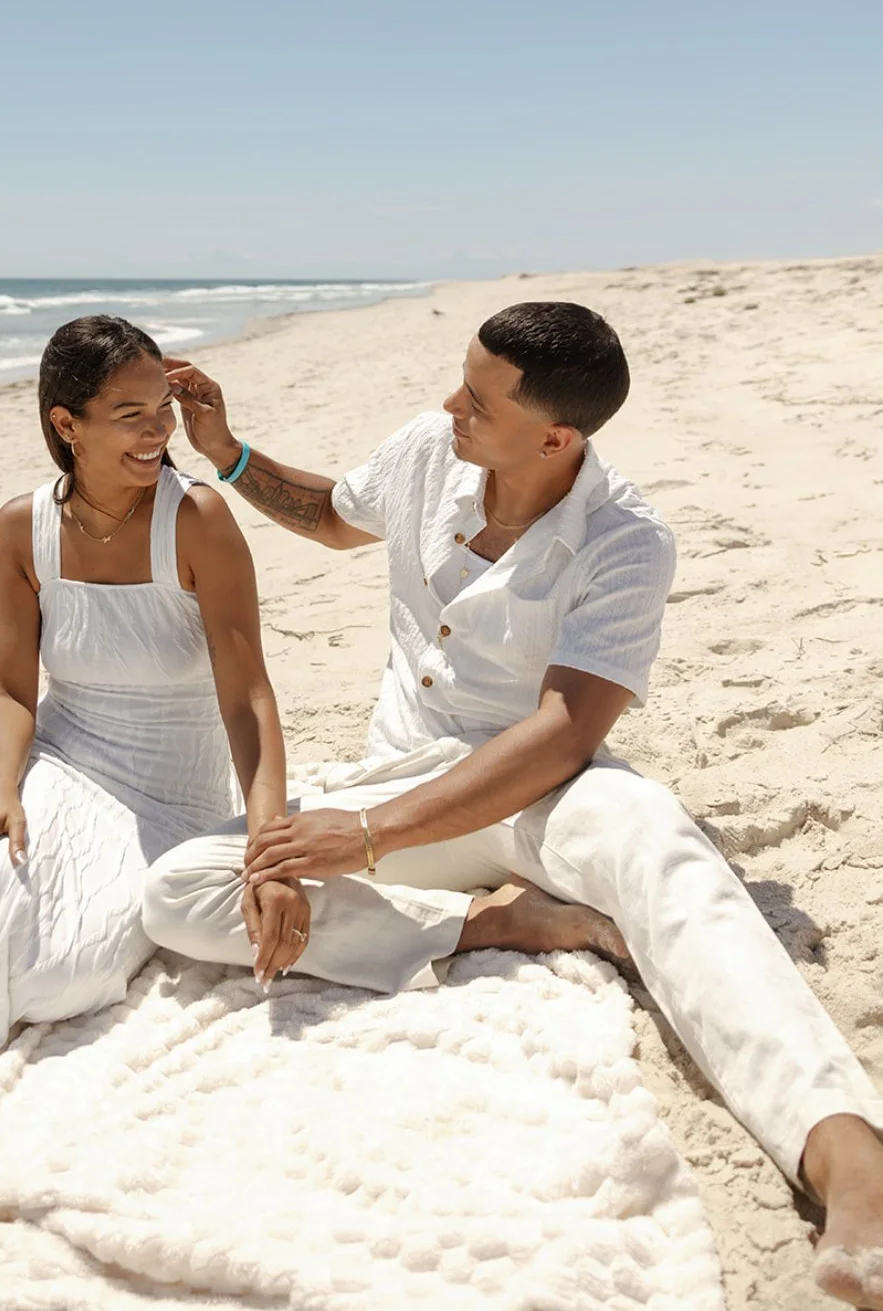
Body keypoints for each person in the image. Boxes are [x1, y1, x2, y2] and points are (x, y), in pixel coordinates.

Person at [145, 301, 883, 1311]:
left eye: (478, 400)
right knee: (183, 887)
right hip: (401, 779)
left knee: (672, 860)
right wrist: (226, 452)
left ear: (556, 436)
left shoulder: (627, 542)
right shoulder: (423, 450)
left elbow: (564, 733)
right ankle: (494, 923)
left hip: (541, 788)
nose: (451, 405)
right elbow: (330, 517)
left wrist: (366, 840)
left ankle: (846, 1158)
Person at [0, 314, 312, 1073]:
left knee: (66, 973)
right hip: (64, 762)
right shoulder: (21, 527)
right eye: (129, 415)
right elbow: (8, 689)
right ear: (65, 423)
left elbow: (248, 699)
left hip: (170, 791)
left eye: (162, 409)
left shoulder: (196, 518)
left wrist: (267, 847)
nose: (156, 432)